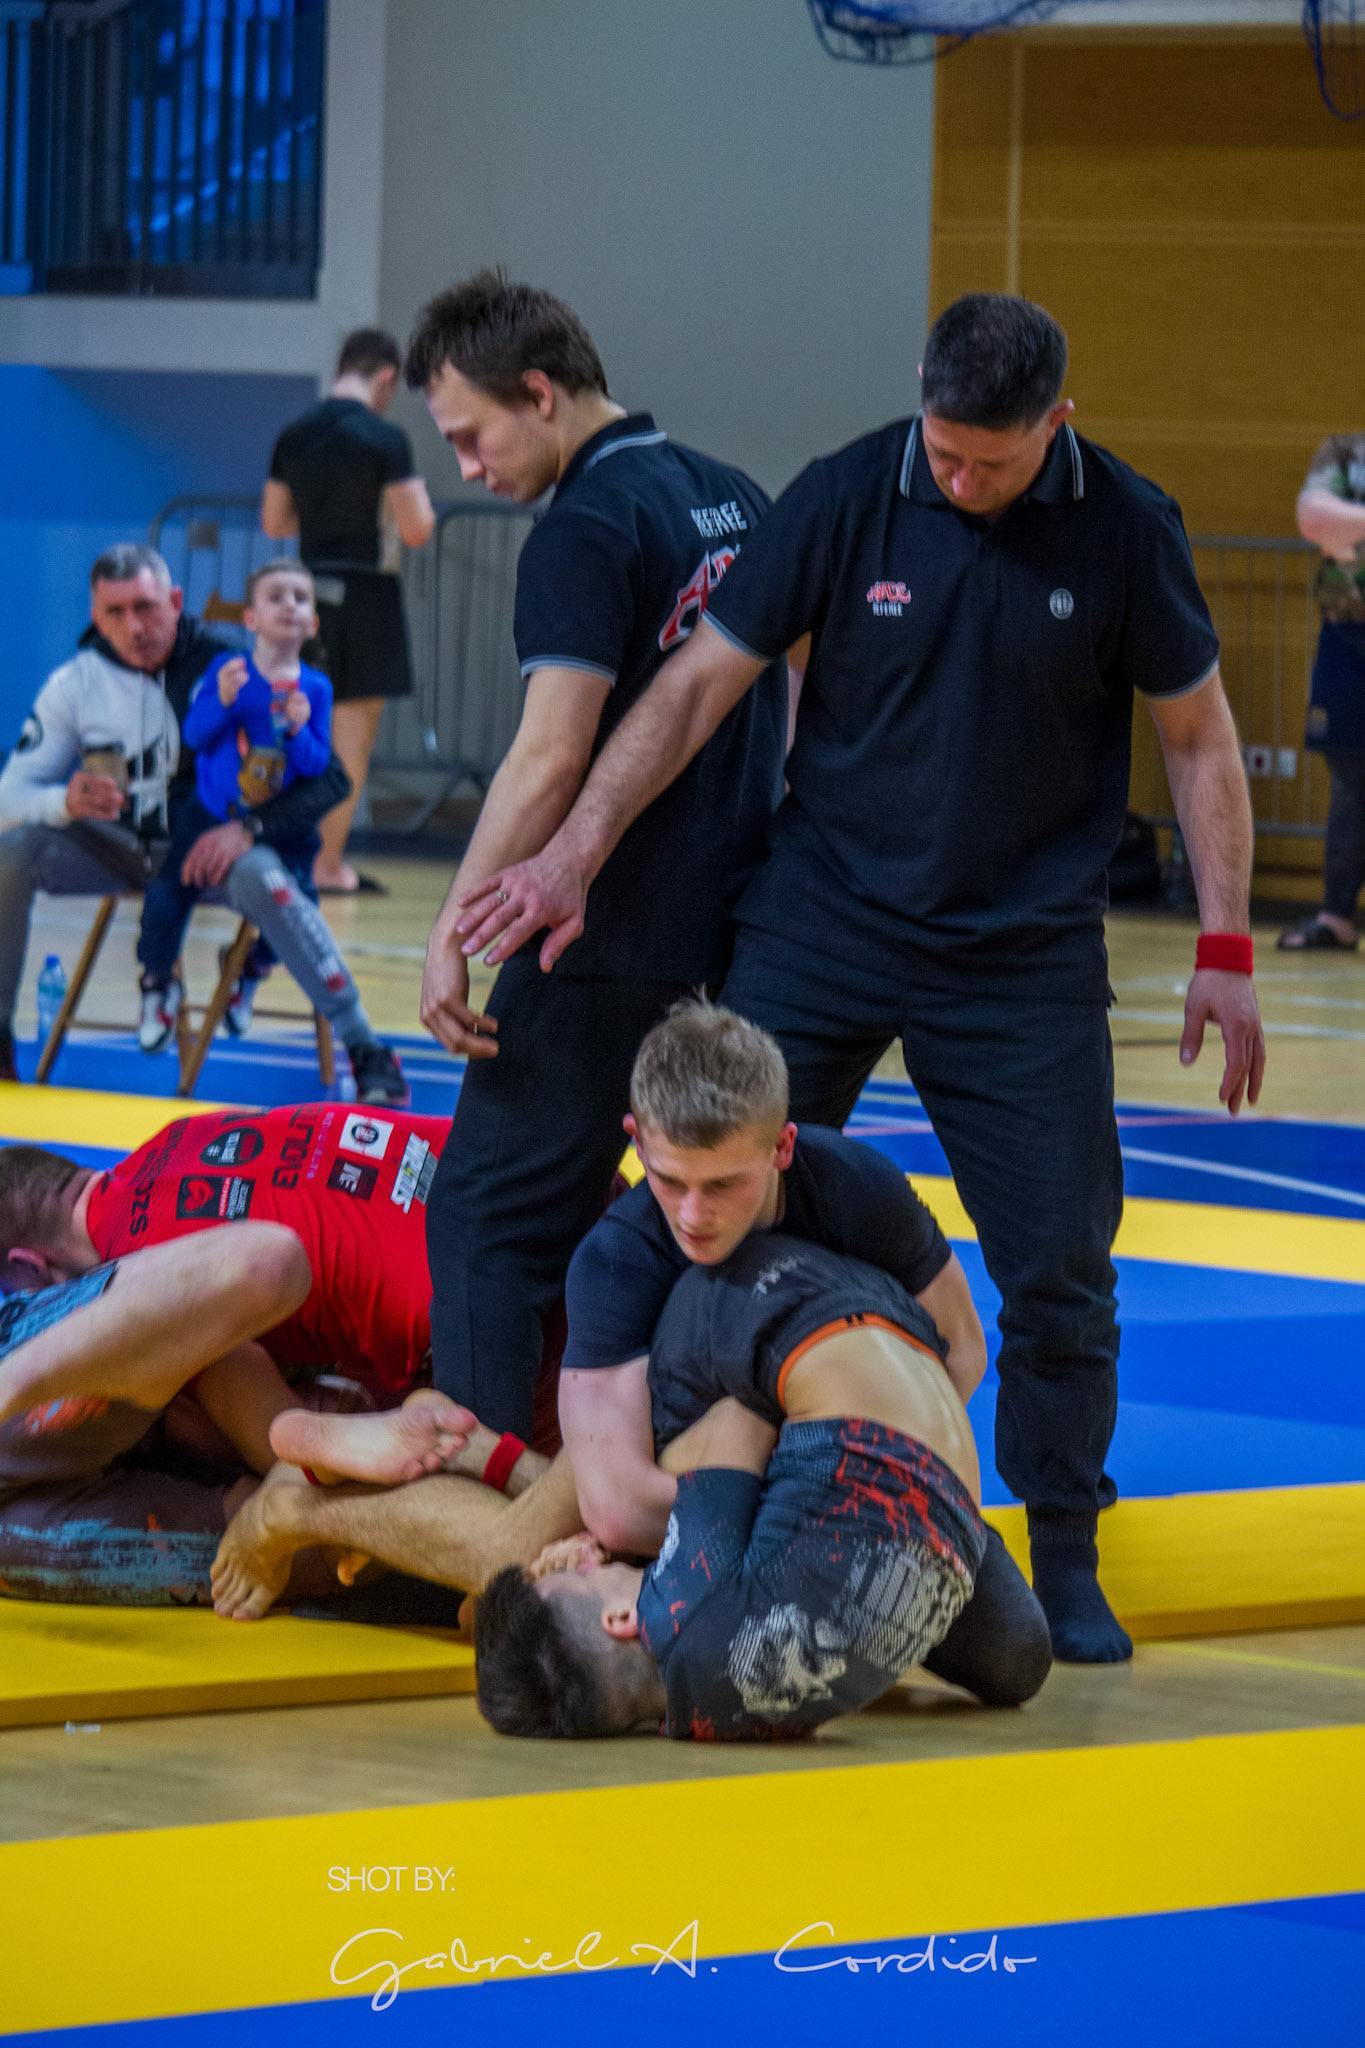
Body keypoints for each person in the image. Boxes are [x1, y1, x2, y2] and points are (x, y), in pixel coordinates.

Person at [452, 293, 1269, 1665]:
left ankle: (1063, 1545)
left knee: (1063, 1265)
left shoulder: (1128, 526)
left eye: (992, 462)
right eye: (944, 452)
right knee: (692, 1189)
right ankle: (657, 1515)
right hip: (822, 916)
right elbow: (696, 686)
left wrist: (1226, 946)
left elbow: (1197, 736)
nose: (961, 480)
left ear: (1056, 424)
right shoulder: (845, 493)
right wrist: (575, 852)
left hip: (1020, 953)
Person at [404, 270, 789, 1443]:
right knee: (684, 1221)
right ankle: (660, 1469)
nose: (467, 469)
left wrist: (450, 929)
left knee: (486, 1223)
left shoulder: (584, 526)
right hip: (728, 934)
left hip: (600, 935)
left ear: (539, 391)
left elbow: (547, 756)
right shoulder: (732, 495)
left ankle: (478, 1508)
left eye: (471, 436)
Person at [476, 1232, 990, 1742]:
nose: (585, 1561)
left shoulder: (702, 1719)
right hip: (865, 1335)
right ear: (621, 1619)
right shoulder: (682, 1599)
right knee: (665, 1384)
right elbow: (741, 1417)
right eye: (581, 1575)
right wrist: (611, 1524)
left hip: (957, 1530)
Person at [0, 545, 405, 1103]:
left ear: (175, 601)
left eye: (146, 607)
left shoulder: (236, 667)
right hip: (113, 848)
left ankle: (365, 1047)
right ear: (96, 616)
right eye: (116, 612)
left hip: (213, 849)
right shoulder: (75, 684)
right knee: (10, 852)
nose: (134, 626)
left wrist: (250, 830)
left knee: (268, 877)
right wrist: (62, 802)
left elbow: (331, 781)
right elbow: (9, 798)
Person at [264, 328, 436, 894]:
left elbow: (274, 521)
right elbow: (416, 528)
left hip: (305, 592)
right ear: (386, 377)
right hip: (368, 596)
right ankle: (328, 864)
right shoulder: (385, 438)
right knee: (351, 739)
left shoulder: (294, 434)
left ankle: (280, 851)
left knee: (295, 724)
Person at [136, 560, 332, 1047]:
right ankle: (157, 981)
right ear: (251, 619)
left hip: (278, 826)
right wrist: (222, 700)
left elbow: (315, 765)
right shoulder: (228, 671)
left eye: (300, 598)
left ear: (313, 623)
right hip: (210, 814)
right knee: (167, 892)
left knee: (303, 907)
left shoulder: (316, 688)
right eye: (276, 597)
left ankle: (248, 968)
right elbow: (194, 736)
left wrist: (299, 729)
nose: (289, 606)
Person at [1278, 433, 1365, 951]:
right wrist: (1332, 529)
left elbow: (1335, 528)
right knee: (1350, 780)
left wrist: (1348, 533)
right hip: (1346, 638)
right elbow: (1314, 518)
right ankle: (1336, 917)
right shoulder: (1346, 452)